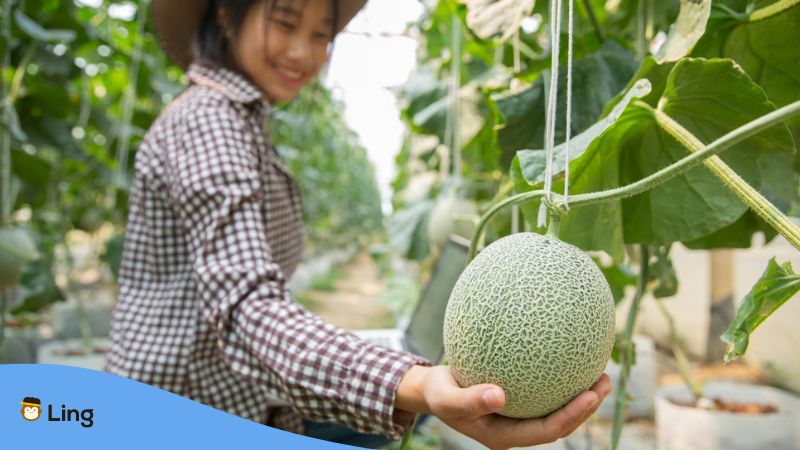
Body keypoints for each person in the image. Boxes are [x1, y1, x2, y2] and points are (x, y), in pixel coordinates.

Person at [105, 0, 612, 448]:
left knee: (385, 419)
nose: (303, 52)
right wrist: (411, 385)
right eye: (285, 23)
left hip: (232, 393)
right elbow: (246, 311)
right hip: (182, 408)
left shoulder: (238, 123)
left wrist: (408, 388)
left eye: (321, 35)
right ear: (225, 13)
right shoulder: (209, 121)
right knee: (394, 413)